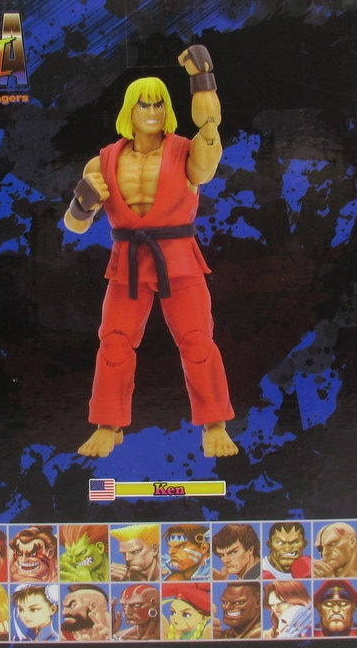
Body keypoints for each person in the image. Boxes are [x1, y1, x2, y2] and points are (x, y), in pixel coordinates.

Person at [63, 45, 237, 459]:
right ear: (130, 110)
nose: (153, 111)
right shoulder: (101, 163)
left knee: (197, 340)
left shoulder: (186, 153)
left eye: (159, 103)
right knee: (114, 341)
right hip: (127, 262)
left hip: (179, 258)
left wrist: (202, 79)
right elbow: (74, 225)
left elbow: (210, 129)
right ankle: (108, 425)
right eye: (145, 104)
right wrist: (82, 203)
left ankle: (215, 423)